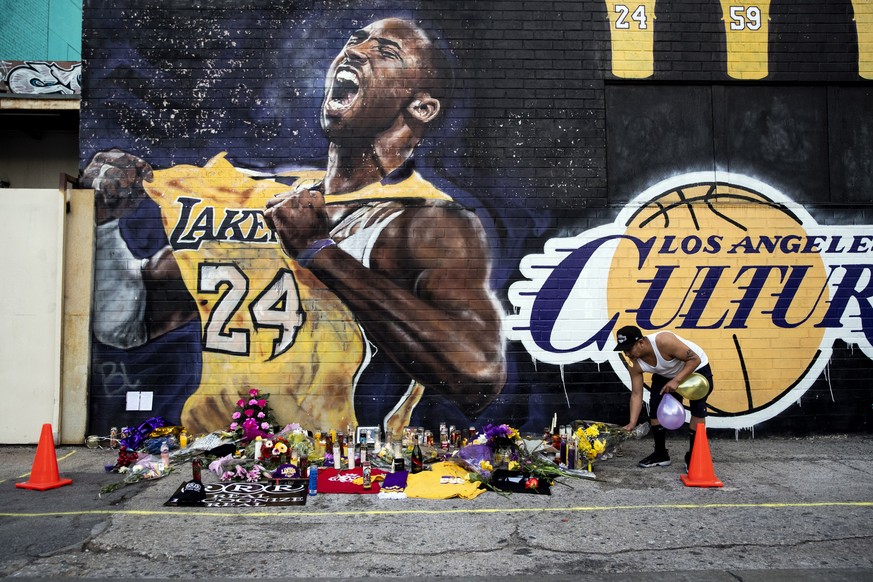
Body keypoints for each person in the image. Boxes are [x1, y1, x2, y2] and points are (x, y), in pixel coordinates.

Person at [82, 18, 507, 437]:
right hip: (221, 456)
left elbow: (477, 377)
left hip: (336, 464)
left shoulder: (425, 219)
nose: (355, 50)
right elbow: (127, 321)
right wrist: (102, 224)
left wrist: (319, 252)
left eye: (385, 52)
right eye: (356, 40)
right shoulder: (258, 198)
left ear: (420, 107)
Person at [614, 325, 714, 469]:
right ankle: (660, 454)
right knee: (655, 408)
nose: (627, 354)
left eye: (629, 349)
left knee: (697, 409)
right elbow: (636, 394)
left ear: (641, 342)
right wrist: (632, 422)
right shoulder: (634, 364)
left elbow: (694, 359)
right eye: (624, 350)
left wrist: (676, 381)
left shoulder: (663, 341)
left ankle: (694, 455)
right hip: (666, 374)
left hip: (695, 369)